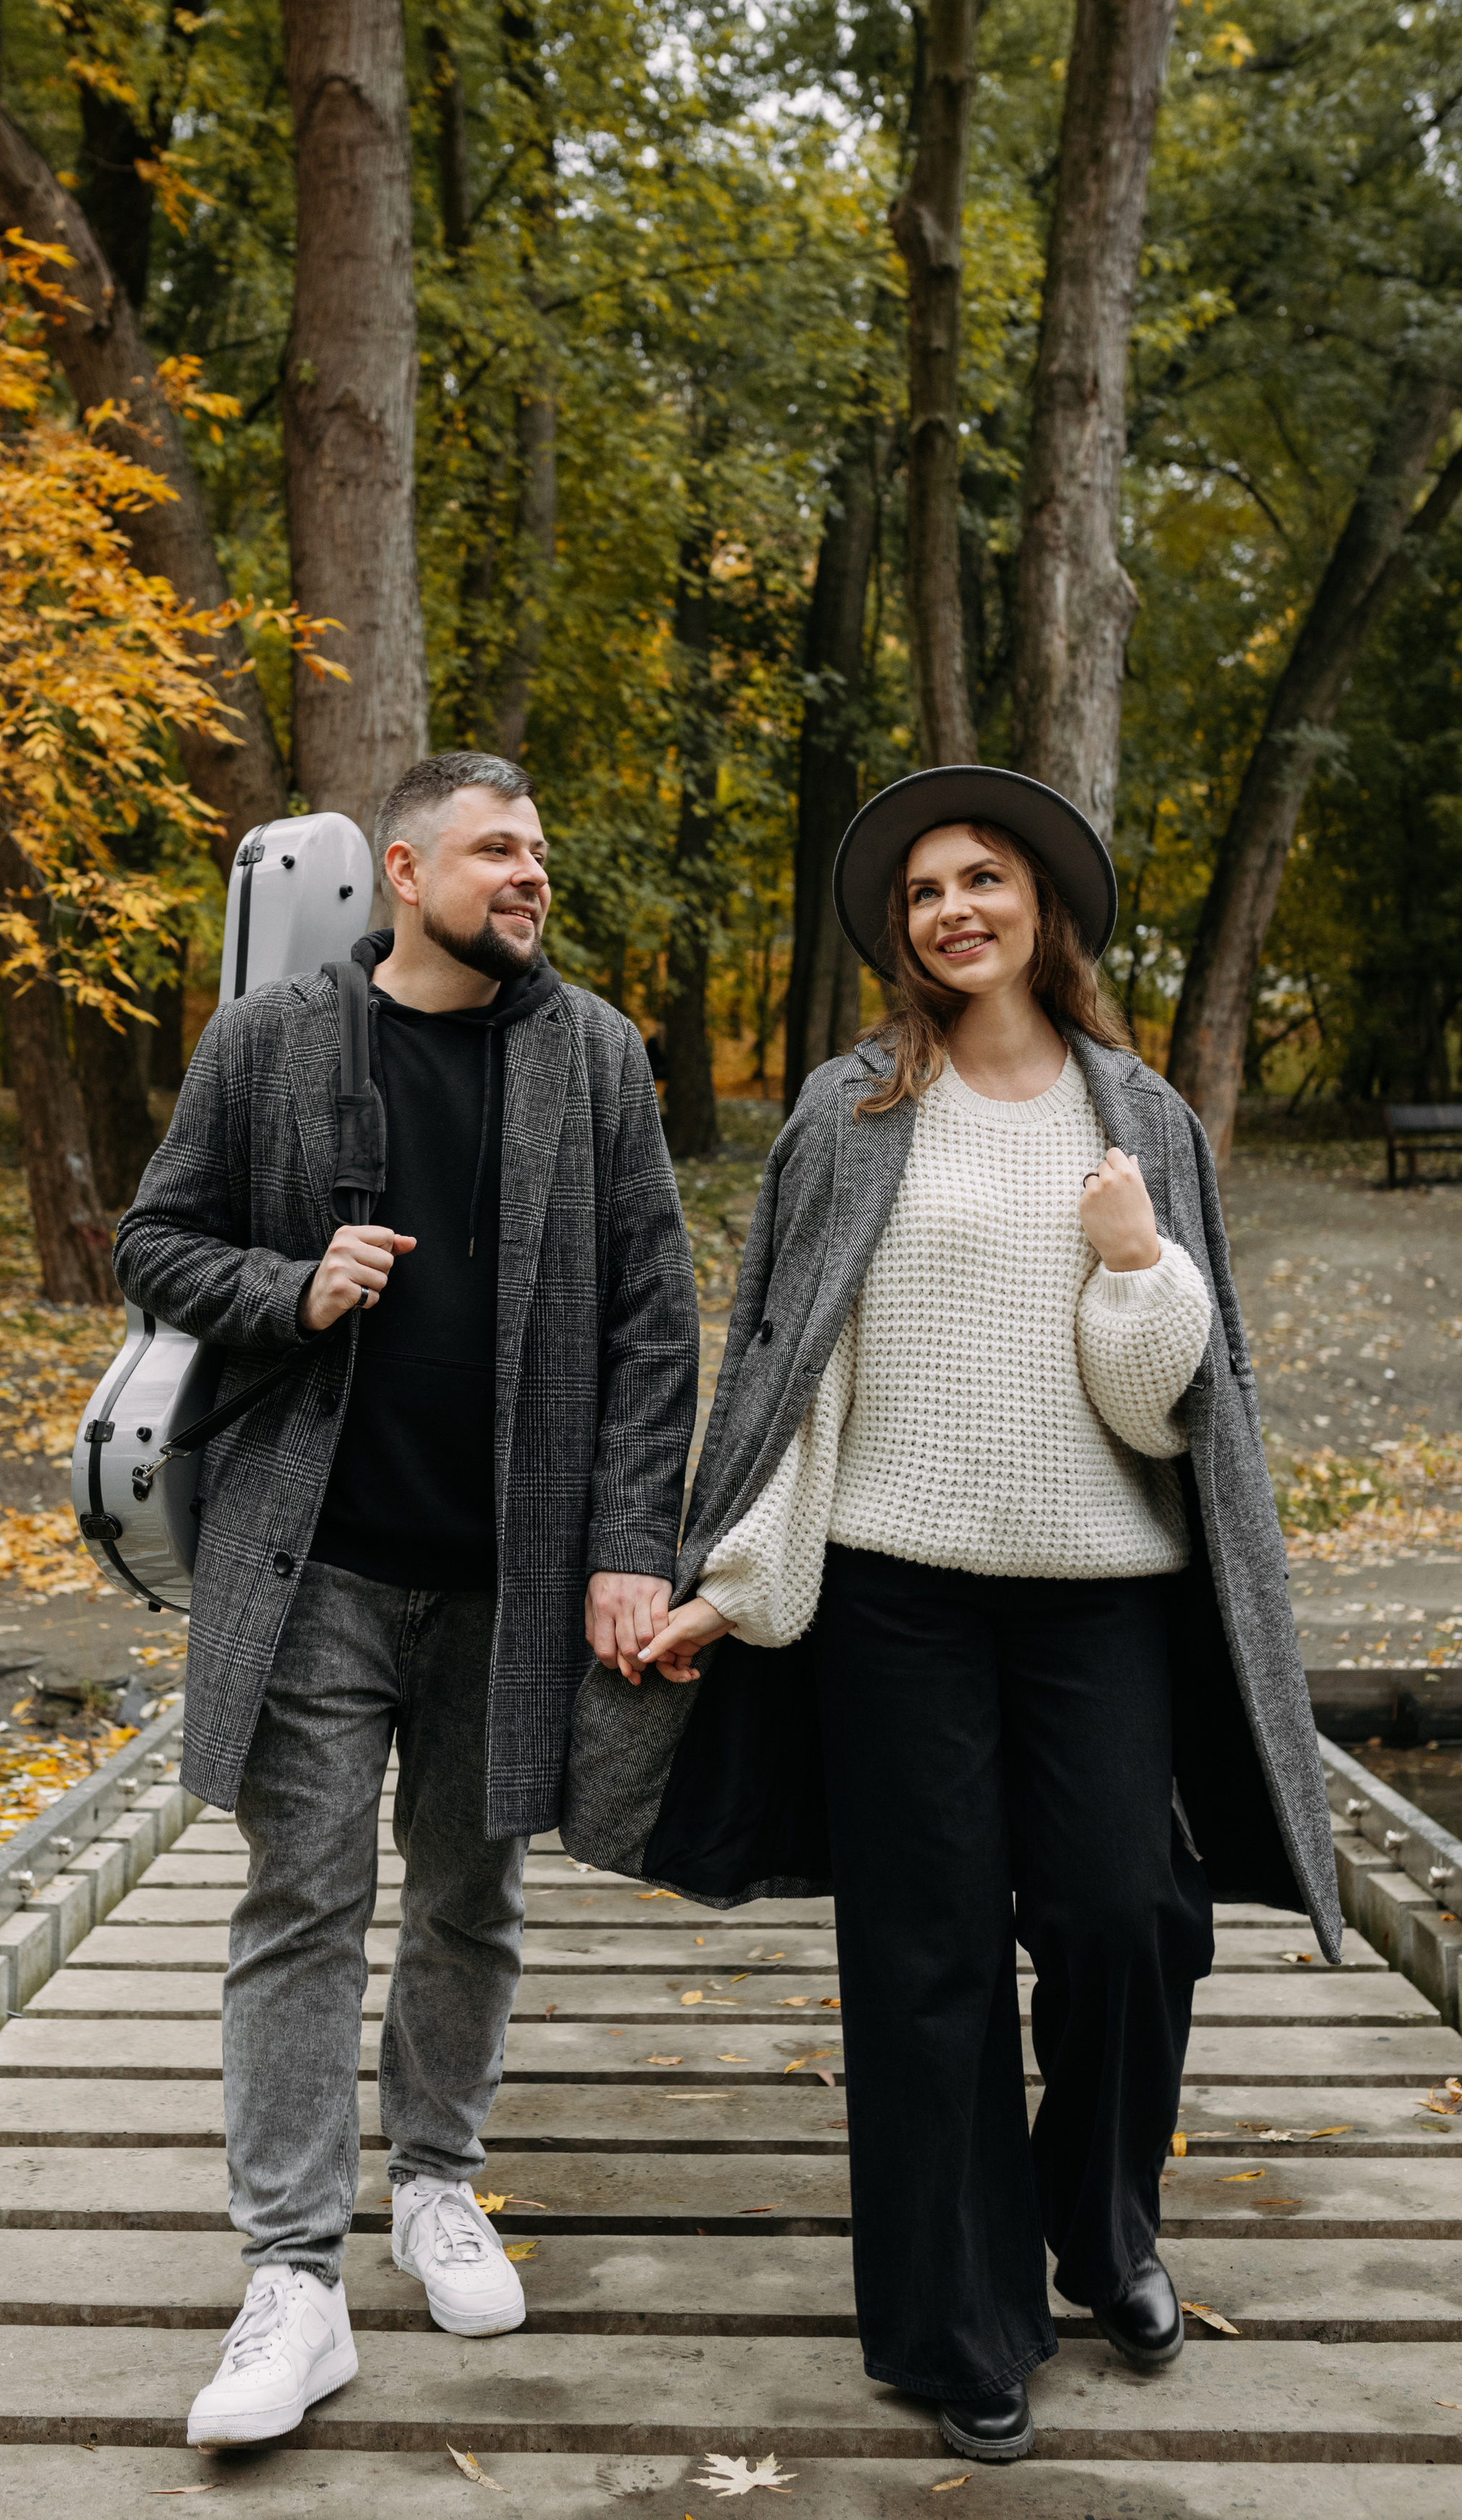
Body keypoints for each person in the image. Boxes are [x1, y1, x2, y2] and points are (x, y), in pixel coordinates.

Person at [561, 765, 1339, 2467]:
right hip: (895, 1597)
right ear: (903, 935)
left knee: (1126, 1913)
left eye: (981, 879)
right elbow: (792, 1377)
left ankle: (1103, 2231)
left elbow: (1165, 1415)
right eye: (923, 893)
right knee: (920, 1961)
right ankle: (956, 2324)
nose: (952, 910)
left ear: (1042, 907)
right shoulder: (847, 1115)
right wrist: (732, 1588)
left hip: (1101, 1596)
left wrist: (1138, 1266)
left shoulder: (1141, 1124)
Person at [112, 749, 699, 2447]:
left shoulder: (593, 1056)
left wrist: (627, 1541)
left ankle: (437, 2179)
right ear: (403, 867)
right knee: (300, 1902)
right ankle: (290, 2272)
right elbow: (151, 1246)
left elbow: (651, 1322)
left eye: (538, 852)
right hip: (316, 1568)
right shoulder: (273, 1043)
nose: (528, 875)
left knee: (470, 1898)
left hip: (508, 1580)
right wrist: (292, 1292)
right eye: (498, 850)